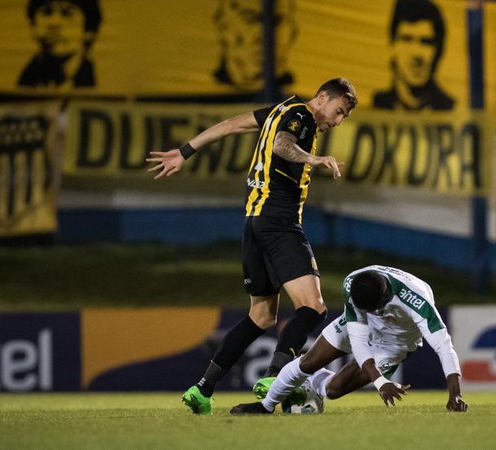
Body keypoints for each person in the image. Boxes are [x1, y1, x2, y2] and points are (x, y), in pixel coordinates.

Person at [147, 77, 357, 415]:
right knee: (314, 308)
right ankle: (275, 377)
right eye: (338, 111)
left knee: (260, 316)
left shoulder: (279, 110)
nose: (337, 120)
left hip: (253, 222)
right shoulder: (301, 116)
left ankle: (203, 390)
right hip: (278, 221)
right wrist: (314, 160)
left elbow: (231, 125)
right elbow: (282, 146)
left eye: (344, 116)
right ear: (321, 98)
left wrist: (185, 151)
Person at [230, 265, 468, 414]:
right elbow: (359, 343)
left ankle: (312, 386)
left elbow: (443, 345)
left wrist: (455, 393)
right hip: (359, 327)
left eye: (376, 309)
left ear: (387, 296)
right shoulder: (353, 285)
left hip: (396, 343)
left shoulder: (417, 302)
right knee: (307, 363)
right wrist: (380, 382)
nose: (375, 314)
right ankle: (266, 406)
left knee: (334, 390)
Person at [372, 0, 456, 111]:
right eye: (406, 39)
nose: (416, 54)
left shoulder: (451, 110)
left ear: (439, 50)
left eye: (426, 42)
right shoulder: (376, 106)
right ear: (392, 45)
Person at [212, 0, 298, 92]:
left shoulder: (305, 97)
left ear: (292, 32)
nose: (264, 37)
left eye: (277, 21)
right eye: (251, 19)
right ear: (224, 28)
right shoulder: (205, 95)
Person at [18, 0, 102, 89]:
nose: (54, 23)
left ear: (89, 31)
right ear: (33, 25)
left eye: (67, 14)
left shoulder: (101, 79)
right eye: (47, 12)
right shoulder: (27, 79)